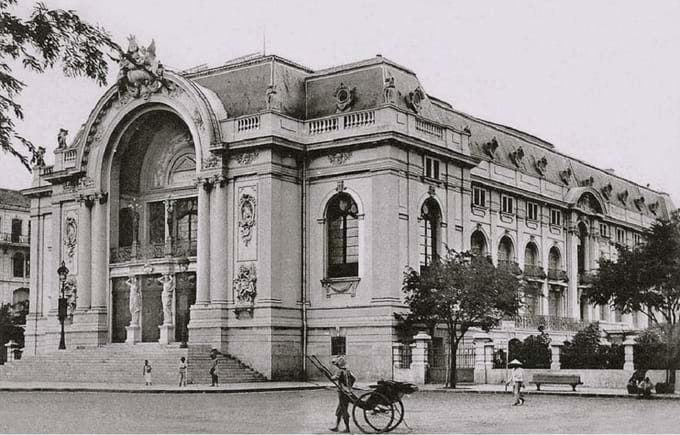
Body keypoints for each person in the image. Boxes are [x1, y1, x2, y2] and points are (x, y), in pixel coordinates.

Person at [329, 356, 355, 433]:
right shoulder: (348, 371)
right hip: (348, 391)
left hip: (343, 392)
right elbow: (354, 379)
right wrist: (349, 386)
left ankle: (347, 428)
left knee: (343, 409)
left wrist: (331, 377)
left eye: (337, 364)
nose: (336, 366)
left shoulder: (340, 371)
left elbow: (334, 378)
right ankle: (337, 427)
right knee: (340, 409)